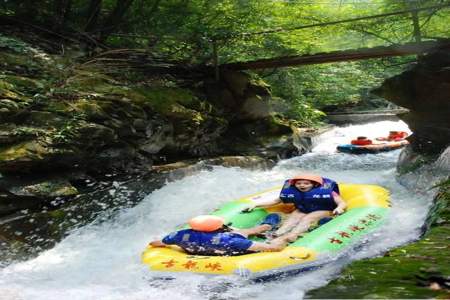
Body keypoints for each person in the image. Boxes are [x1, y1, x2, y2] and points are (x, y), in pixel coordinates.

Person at [245, 174, 347, 243]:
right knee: (292, 219)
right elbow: (275, 201)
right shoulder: (293, 192)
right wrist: (256, 205)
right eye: (299, 183)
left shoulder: (327, 191)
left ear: (314, 184)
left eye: (306, 183)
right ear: (295, 184)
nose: (302, 185)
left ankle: (293, 235)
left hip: (322, 209)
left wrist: (339, 208)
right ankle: (276, 234)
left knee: (307, 219)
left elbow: (341, 202)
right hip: (303, 209)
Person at [149, 214, 288, 256]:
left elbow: (156, 243)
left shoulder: (180, 235)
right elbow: (273, 249)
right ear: (220, 228)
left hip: (202, 250)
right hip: (232, 252)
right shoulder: (231, 240)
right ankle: (269, 224)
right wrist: (284, 239)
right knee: (246, 232)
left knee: (243, 232)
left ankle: (265, 226)